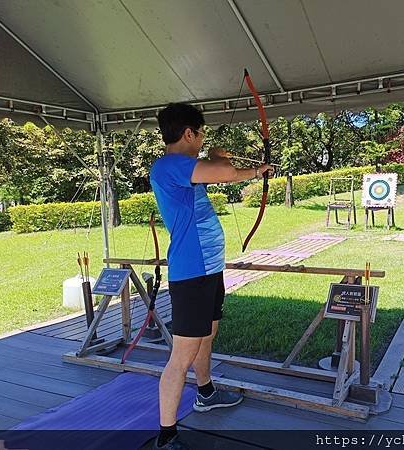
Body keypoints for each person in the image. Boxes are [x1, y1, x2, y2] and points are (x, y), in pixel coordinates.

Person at [149, 103, 274, 450]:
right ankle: (166, 436)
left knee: (207, 335)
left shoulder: (186, 167)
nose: (202, 140)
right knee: (181, 355)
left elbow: (216, 167)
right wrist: (252, 170)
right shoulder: (169, 165)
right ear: (188, 133)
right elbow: (227, 173)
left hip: (208, 269)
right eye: (201, 134)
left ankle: (206, 393)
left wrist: (218, 156)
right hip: (191, 273)